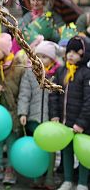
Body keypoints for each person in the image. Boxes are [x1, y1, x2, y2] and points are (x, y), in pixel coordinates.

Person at [49, 36, 90, 190]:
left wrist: (81, 123)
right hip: (64, 122)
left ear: (83, 54)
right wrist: (54, 115)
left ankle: (82, 182)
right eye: (69, 51)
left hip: (81, 124)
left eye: (75, 52)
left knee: (83, 152)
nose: (71, 55)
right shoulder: (61, 71)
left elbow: (88, 100)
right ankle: (67, 179)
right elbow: (53, 95)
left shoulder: (86, 73)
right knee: (66, 150)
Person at [0, 32, 24, 185]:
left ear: (6, 51)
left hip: (13, 113)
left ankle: (10, 170)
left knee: (12, 143)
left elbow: (22, 92)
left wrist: (21, 112)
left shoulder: (18, 68)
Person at [17, 41, 59, 189]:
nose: (41, 59)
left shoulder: (56, 74)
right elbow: (24, 93)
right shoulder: (30, 72)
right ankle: (36, 176)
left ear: (52, 59)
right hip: (34, 117)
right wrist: (23, 112)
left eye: (45, 56)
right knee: (36, 147)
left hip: (50, 118)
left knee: (50, 148)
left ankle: (49, 178)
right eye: (38, 55)